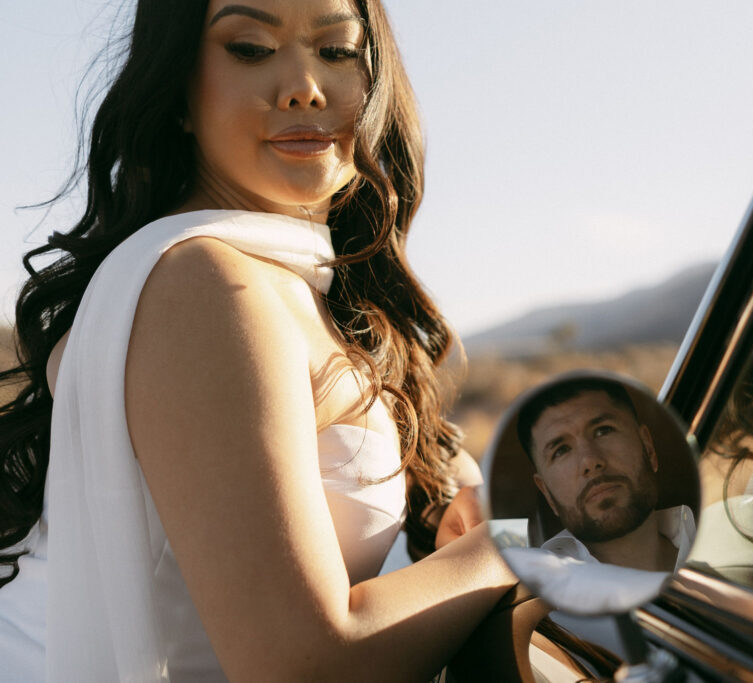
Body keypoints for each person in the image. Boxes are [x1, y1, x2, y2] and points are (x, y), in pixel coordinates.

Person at [0, 1, 516, 680]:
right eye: (249, 48)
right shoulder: (206, 285)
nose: (305, 84)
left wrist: (451, 528)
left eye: (337, 52)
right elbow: (301, 663)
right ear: (178, 91)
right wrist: (517, 547)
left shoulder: (282, 283)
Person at [516, 377, 695, 573]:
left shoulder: (714, 538)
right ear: (547, 493)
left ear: (648, 448)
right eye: (561, 450)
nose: (590, 461)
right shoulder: (540, 579)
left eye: (603, 431)